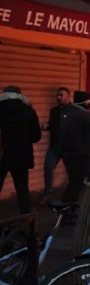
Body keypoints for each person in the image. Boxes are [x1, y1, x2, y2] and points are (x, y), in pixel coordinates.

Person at [0, 86, 42, 214]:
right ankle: (27, 221)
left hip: (1, 156)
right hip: (21, 156)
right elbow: (36, 137)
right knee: (22, 189)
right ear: (19, 96)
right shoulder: (28, 111)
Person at [60, 91, 90, 203]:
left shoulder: (69, 111)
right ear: (85, 102)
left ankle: (69, 206)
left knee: (74, 180)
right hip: (80, 153)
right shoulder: (82, 114)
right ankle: (68, 207)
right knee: (76, 182)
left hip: (71, 152)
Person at [41, 87, 71, 202]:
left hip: (69, 147)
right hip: (55, 146)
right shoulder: (54, 110)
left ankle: (71, 194)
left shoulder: (74, 111)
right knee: (48, 167)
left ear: (68, 96)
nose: (58, 97)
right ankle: (47, 193)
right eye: (57, 95)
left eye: (61, 95)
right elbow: (51, 125)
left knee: (71, 171)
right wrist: (46, 127)